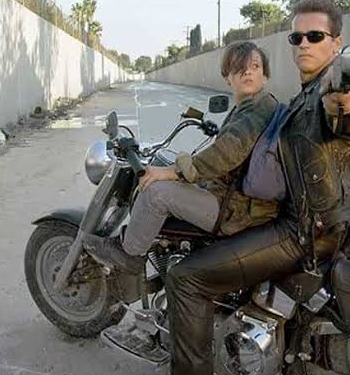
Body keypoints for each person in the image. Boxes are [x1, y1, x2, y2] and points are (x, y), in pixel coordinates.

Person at [164, 0, 350, 375]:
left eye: (316, 36)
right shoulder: (303, 96)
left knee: (185, 278)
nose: (304, 43)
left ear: (336, 43)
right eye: (297, 37)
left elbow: (349, 108)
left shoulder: (328, 90)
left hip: (304, 232)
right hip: (304, 222)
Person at [84, 41, 282, 273]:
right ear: (227, 77)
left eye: (255, 66)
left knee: (155, 192)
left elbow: (227, 153)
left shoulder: (258, 109)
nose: (247, 72)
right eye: (239, 67)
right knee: (163, 170)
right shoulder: (250, 107)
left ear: (265, 76)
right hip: (234, 197)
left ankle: (129, 254)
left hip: (235, 209)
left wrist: (173, 172)